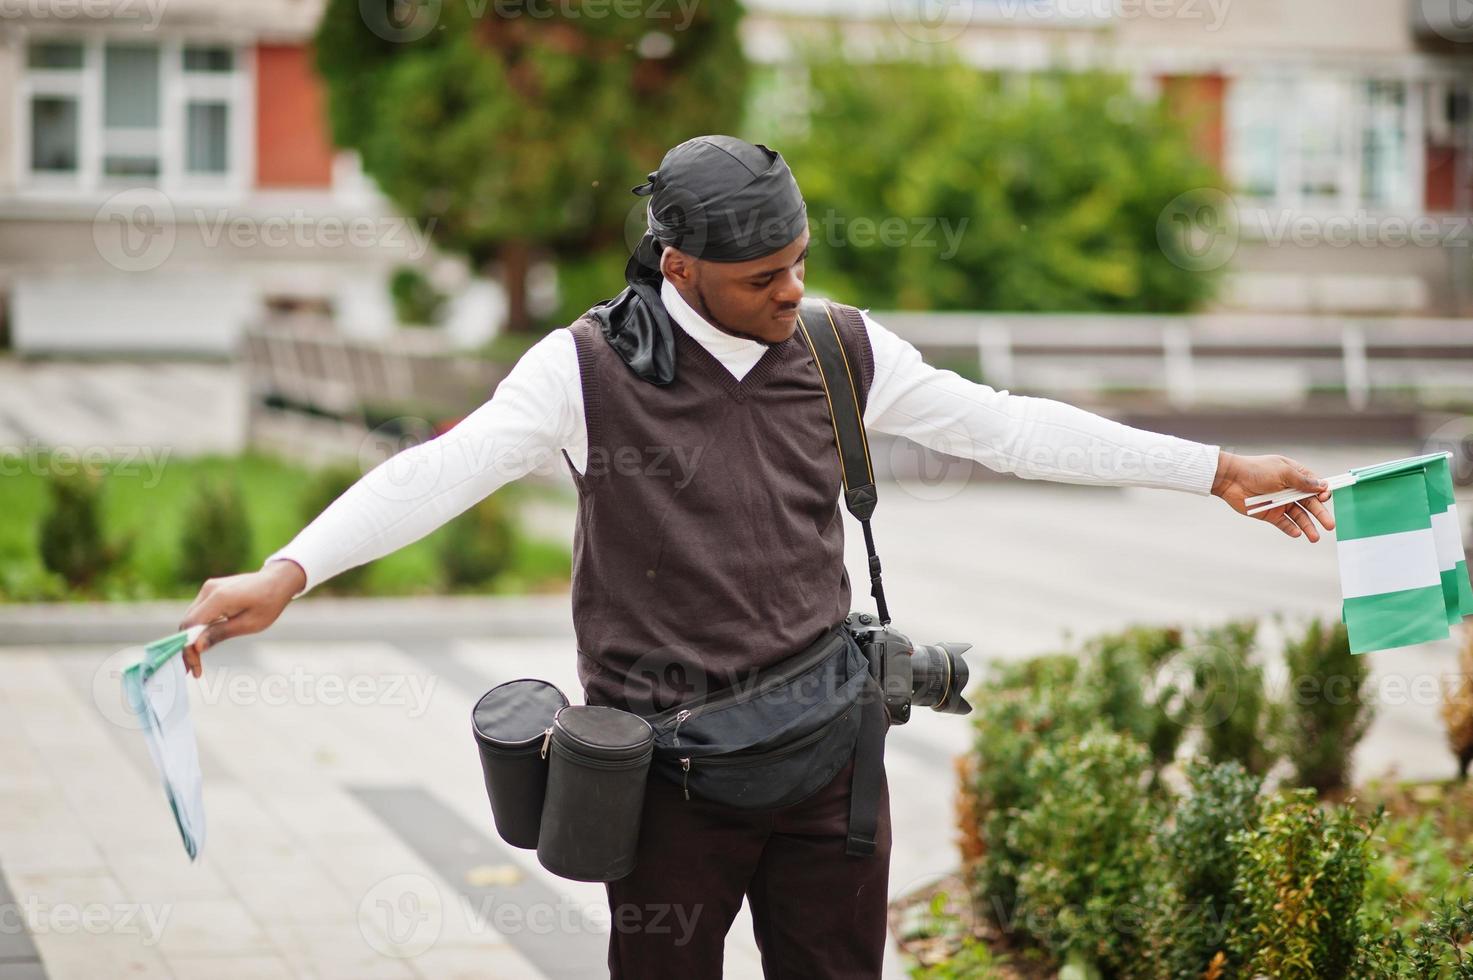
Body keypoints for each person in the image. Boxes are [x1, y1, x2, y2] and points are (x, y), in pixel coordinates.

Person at [179, 135, 1334, 979]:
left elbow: (1004, 422)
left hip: (831, 761)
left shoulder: (836, 345)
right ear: (678, 268)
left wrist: (1212, 467)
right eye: (762, 277)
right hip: (666, 780)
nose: (792, 290)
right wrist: (288, 571)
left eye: (798, 262)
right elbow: (442, 467)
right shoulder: (580, 369)